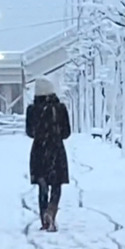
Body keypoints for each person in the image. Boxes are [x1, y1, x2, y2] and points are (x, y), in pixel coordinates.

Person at [26, 77, 71, 232]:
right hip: (57, 149)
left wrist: (41, 133)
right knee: (57, 185)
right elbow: (66, 133)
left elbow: (30, 132)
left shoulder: (32, 109)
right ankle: (52, 211)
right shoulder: (60, 108)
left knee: (42, 185)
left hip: (39, 150)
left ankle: (44, 219)